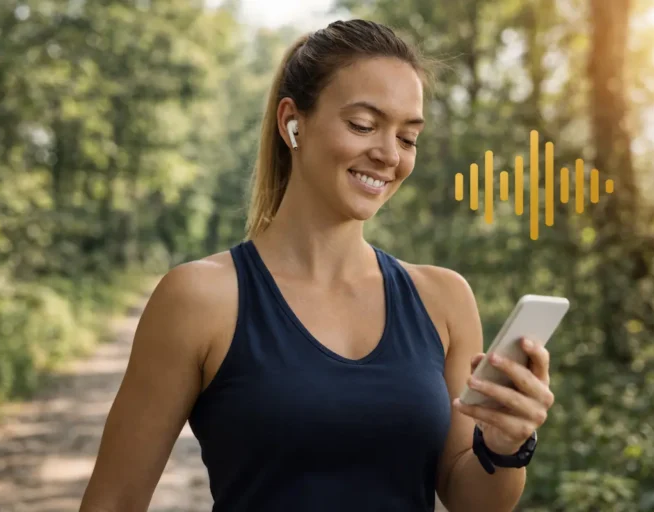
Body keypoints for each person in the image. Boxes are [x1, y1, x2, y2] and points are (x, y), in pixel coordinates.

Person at [78, 19, 555, 512]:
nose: (389, 155)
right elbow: (114, 500)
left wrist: (505, 446)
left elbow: (473, 501)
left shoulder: (444, 299)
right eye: (364, 125)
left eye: (408, 138)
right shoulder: (200, 298)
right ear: (293, 122)